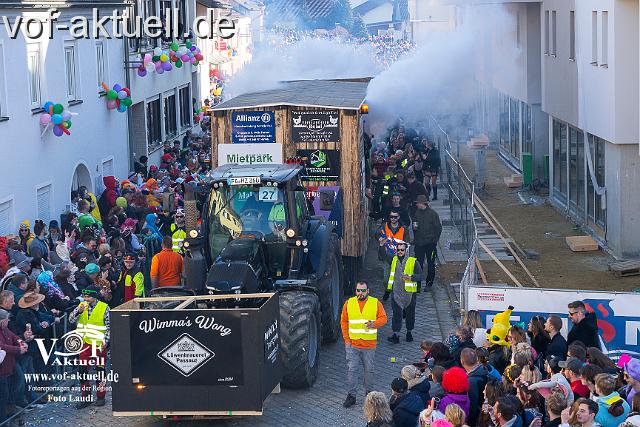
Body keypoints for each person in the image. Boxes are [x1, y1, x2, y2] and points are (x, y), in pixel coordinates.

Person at [341, 281, 388, 408]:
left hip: (369, 345)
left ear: (368, 291)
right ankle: (351, 396)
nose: (360, 293)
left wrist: (373, 324)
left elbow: (384, 318)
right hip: (352, 345)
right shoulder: (349, 303)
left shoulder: (375, 303)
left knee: (369, 371)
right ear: (355, 291)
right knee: (352, 370)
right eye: (358, 290)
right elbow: (344, 321)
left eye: (363, 290)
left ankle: (369, 396)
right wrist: (346, 339)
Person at [68, 286, 110, 409]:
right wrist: (78, 312)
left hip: (98, 345)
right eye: (85, 296)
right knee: (83, 372)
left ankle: (101, 396)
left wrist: (105, 342)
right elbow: (71, 320)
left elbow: (109, 326)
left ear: (94, 296)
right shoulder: (81, 306)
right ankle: (86, 397)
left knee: (100, 372)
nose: (86, 299)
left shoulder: (104, 307)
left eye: (88, 296)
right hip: (85, 344)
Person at [382, 241, 422, 343]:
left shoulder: (413, 262)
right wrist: (381, 246)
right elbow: (383, 255)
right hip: (396, 293)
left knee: (410, 314)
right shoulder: (393, 259)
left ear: (406, 250)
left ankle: (409, 333)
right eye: (398, 250)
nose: (400, 252)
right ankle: (396, 335)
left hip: (410, 294)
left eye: (402, 250)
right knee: (396, 314)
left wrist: (411, 277)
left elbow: (421, 276)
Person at [0, 308, 28, 421]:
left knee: (15, 382)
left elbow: (14, 337)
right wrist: (18, 349)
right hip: (2, 368)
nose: (8, 322)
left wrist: (21, 343)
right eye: (7, 320)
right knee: (3, 395)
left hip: (9, 364)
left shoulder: (5, 329)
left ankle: (9, 410)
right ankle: (3, 420)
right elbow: (2, 346)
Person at [412, 195, 442, 290]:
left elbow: (438, 228)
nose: (416, 204)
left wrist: (435, 240)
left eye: (417, 203)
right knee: (418, 264)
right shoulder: (416, 213)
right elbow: (415, 227)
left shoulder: (433, 214)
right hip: (419, 243)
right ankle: (418, 284)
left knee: (431, 264)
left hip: (430, 244)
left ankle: (429, 284)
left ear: (422, 203)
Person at [461, 347, 488, 427]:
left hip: (479, 418)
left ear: (462, 362)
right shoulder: (484, 370)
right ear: (477, 359)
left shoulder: (471, 382)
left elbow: (472, 405)